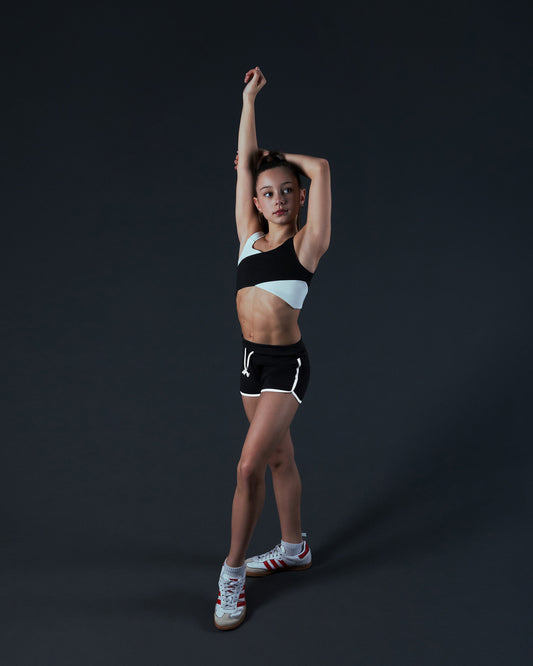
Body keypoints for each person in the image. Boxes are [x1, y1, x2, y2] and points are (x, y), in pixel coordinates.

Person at [214, 66, 331, 631]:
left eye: (287, 190)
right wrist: (248, 101)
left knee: (248, 466)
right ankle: (293, 547)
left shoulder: (308, 245)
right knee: (281, 458)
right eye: (267, 192)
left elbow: (321, 167)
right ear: (256, 202)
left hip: (286, 367)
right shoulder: (247, 235)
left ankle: (231, 573)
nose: (278, 198)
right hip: (250, 362)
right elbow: (245, 165)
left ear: (300, 197)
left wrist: (275, 156)